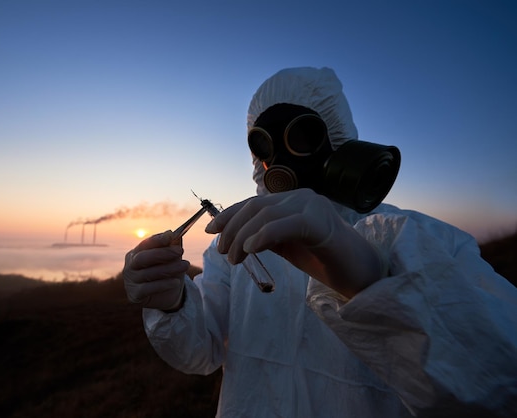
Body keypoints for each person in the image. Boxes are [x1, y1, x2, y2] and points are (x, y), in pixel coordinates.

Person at [122, 67, 517, 417]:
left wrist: (375, 282)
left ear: (339, 136)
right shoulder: (236, 246)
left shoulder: (416, 239)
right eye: (264, 143)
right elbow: (202, 353)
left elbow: (497, 388)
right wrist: (173, 303)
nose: (279, 158)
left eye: (303, 134)